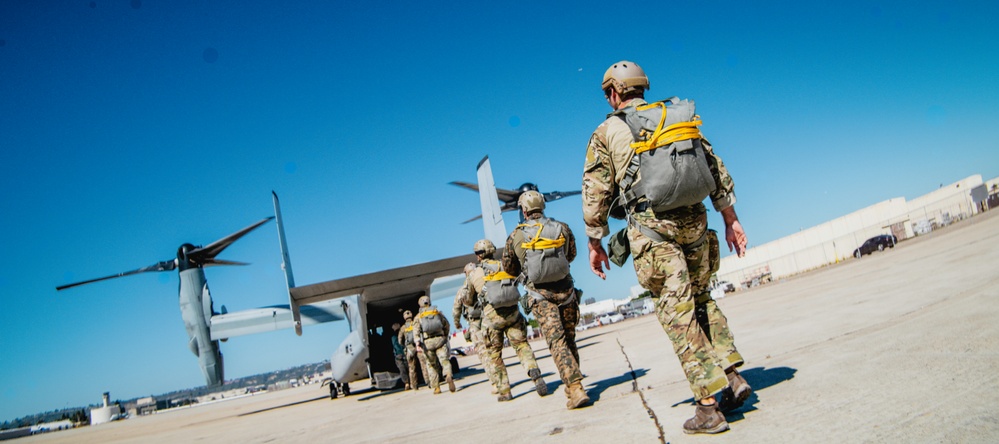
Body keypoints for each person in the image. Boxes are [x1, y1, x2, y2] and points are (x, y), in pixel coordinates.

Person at [582, 60, 752, 434]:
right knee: (702, 299)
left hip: (652, 229)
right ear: (641, 86)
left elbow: (595, 193)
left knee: (678, 315)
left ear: (613, 92)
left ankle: (708, 408)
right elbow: (714, 167)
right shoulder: (675, 115)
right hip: (696, 221)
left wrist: (595, 242)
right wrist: (731, 219)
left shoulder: (607, 131)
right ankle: (732, 375)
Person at [502, 190, 590, 410]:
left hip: (540, 296)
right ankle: (573, 387)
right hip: (567, 291)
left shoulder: (516, 235)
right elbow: (571, 255)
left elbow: (509, 268)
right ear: (543, 206)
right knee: (569, 339)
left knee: (557, 342)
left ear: (523, 210)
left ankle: (576, 387)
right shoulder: (562, 227)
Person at [461, 239, 547, 402]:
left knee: (494, 354)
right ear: (493, 251)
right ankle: (533, 371)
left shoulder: (475, 273)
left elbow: (468, 300)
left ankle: (505, 390)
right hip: (513, 313)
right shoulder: (506, 266)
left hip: (492, 318)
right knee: (522, 345)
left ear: (478, 256)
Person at [452, 265, 499, 393]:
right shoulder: (485, 282)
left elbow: (456, 309)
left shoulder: (463, 289)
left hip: (475, 324)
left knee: (484, 354)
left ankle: (495, 383)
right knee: (493, 351)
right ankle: (502, 379)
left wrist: (457, 324)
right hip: (488, 319)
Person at [412, 295, 455, 394]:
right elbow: (446, 325)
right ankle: (448, 374)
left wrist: (418, 344)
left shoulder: (419, 317)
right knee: (444, 360)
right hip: (440, 340)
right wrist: (445, 335)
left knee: (431, 365)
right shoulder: (437, 313)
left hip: (428, 343)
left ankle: (437, 387)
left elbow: (416, 332)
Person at [399, 310, 426, 391]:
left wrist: (405, 345)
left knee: (411, 367)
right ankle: (428, 381)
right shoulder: (416, 323)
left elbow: (400, 340)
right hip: (418, 346)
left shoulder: (403, 328)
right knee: (423, 365)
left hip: (410, 348)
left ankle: (414, 385)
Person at [390, 323, 410, 389]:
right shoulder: (404, 334)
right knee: (409, 368)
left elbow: (395, 346)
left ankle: (406, 383)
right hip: (405, 352)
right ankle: (411, 382)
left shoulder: (393, 337)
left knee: (402, 369)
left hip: (399, 355)